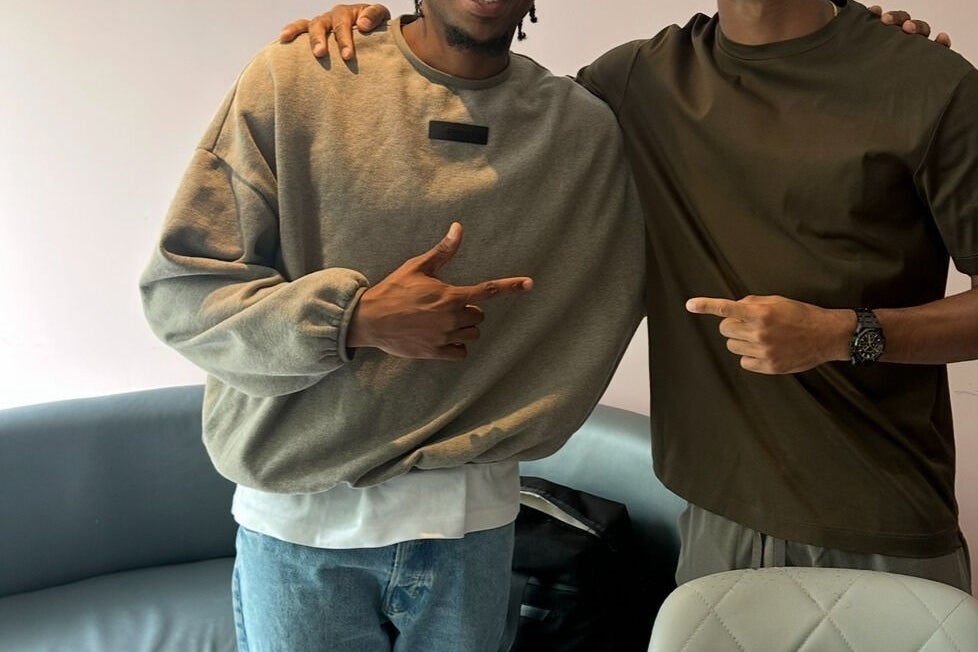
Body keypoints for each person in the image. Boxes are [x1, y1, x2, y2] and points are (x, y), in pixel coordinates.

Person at [287, 0, 978, 598]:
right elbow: (478, 90)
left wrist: (840, 333)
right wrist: (378, 32)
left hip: (879, 516)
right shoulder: (636, 83)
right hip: (714, 518)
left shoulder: (927, 83)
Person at [139, 1, 646, 650]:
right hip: (301, 527)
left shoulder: (580, 131)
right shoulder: (300, 79)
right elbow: (183, 296)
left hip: (474, 527)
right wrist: (353, 321)